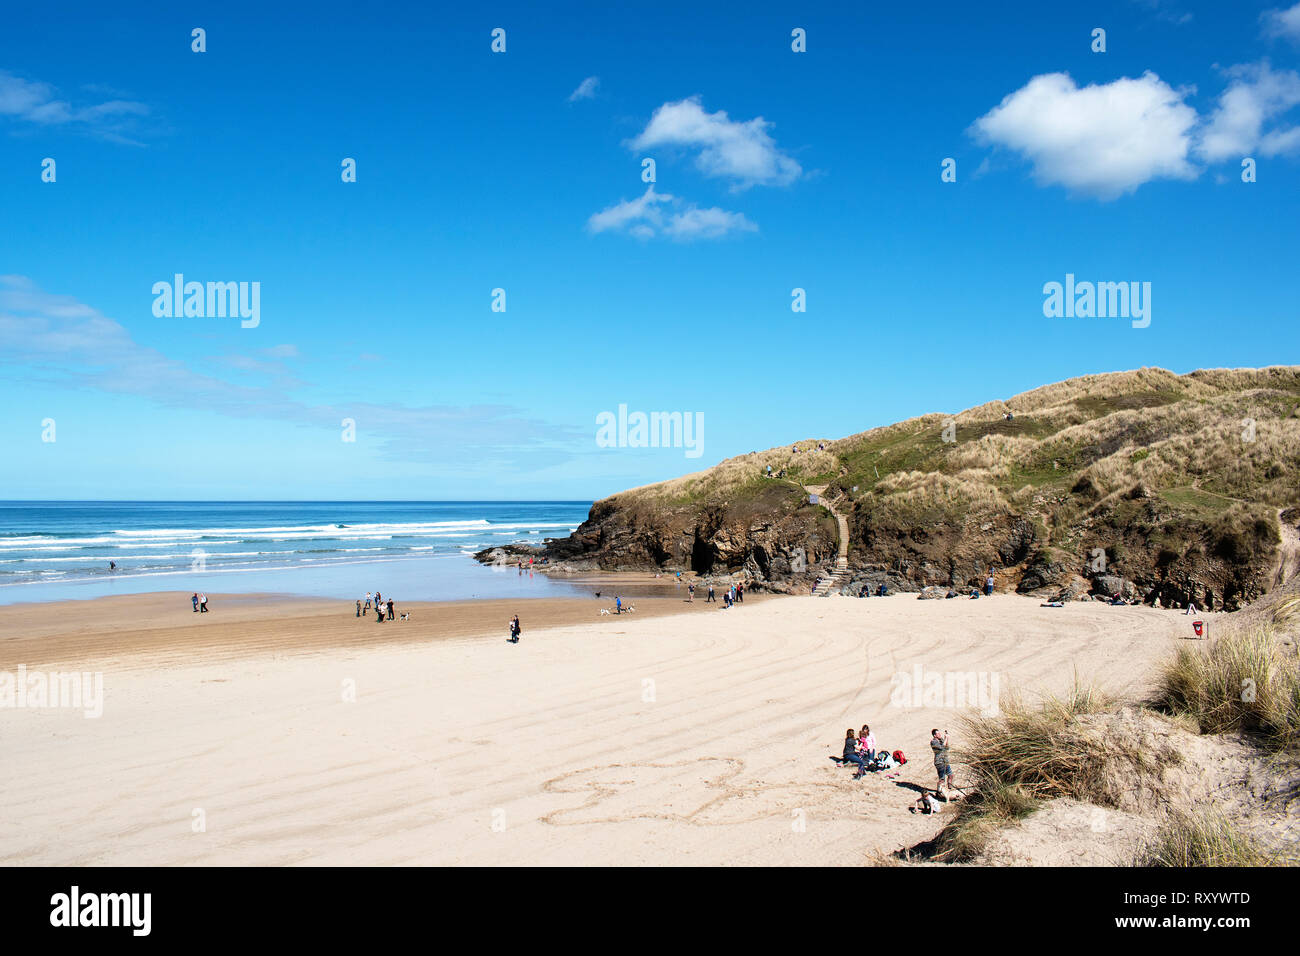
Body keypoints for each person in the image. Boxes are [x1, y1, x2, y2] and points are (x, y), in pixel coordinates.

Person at [931, 728, 954, 798]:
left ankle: (949, 788)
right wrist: (946, 739)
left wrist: (946, 739)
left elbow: (946, 747)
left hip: (945, 760)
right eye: (937, 733)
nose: (939, 734)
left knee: (950, 775)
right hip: (939, 762)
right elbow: (941, 748)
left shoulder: (941, 740)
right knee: (942, 779)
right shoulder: (933, 742)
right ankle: (938, 792)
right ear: (934, 735)